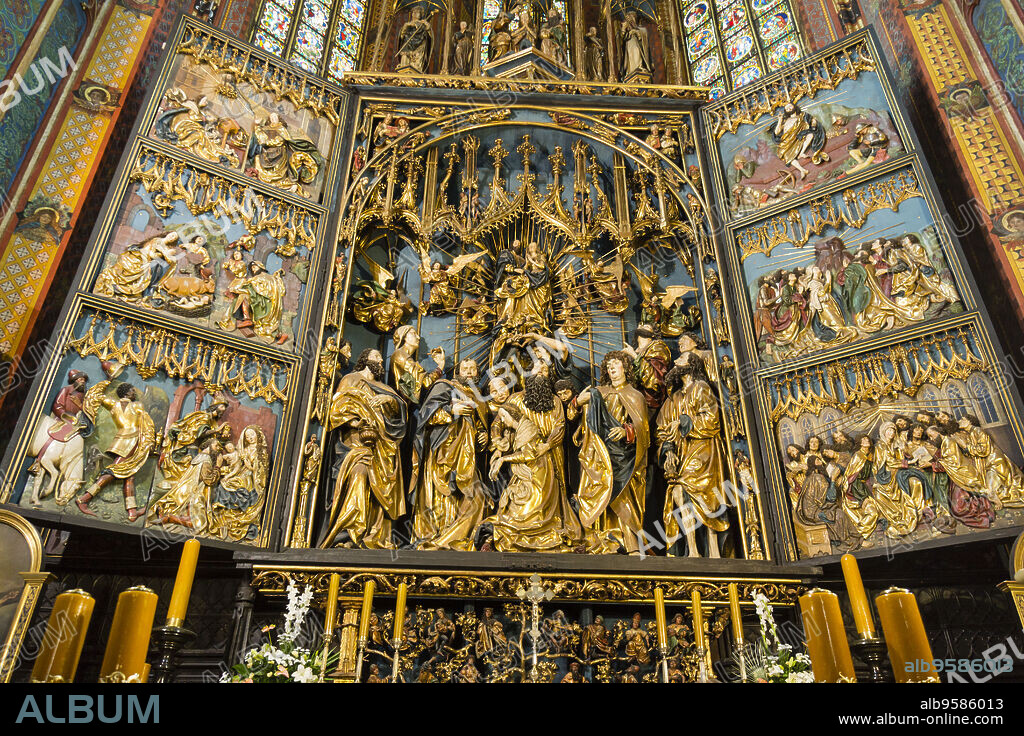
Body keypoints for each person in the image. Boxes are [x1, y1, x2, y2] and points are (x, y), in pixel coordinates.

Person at [319, 349, 408, 548]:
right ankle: (350, 533)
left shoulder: (385, 388)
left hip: (383, 448)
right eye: (376, 356)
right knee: (360, 475)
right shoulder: (351, 379)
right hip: (355, 444)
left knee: (381, 491)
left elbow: (400, 415)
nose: (380, 360)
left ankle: (375, 538)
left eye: (380, 358)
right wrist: (353, 421)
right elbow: (337, 406)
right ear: (365, 359)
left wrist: (390, 400)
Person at [573, 351, 649, 554]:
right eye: (608, 366)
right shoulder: (599, 391)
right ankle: (602, 543)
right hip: (599, 452)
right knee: (600, 494)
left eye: (616, 364)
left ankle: (631, 544)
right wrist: (578, 402)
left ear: (626, 367)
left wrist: (627, 430)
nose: (612, 368)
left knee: (623, 496)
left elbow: (644, 431)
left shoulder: (635, 395)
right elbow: (572, 413)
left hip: (625, 456)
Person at [411, 359, 489, 549]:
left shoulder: (480, 399)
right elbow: (424, 416)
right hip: (442, 451)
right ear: (457, 372)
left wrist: (484, 435)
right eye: (465, 369)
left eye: (473, 369)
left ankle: (457, 538)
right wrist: (450, 410)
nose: (469, 372)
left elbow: (479, 426)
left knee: (476, 496)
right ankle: (439, 535)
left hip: (467, 455)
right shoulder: (444, 386)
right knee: (443, 495)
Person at [76, 382, 156, 522]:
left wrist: (103, 383)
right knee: (116, 470)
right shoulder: (137, 406)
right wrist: (149, 442)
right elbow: (147, 424)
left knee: (129, 475)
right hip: (132, 439)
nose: (134, 392)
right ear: (126, 392)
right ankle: (85, 498)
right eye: (132, 390)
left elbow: (96, 396)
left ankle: (132, 512)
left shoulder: (113, 404)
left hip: (120, 438)